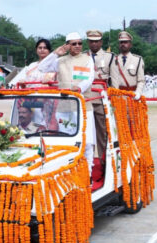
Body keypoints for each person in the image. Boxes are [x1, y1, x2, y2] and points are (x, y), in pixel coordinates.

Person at [38, 32, 96, 175]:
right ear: (67, 45)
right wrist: (55, 54)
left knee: (87, 141)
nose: (77, 46)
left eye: (79, 43)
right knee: (67, 139)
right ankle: (69, 170)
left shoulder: (87, 59)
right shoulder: (60, 61)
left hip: (83, 106)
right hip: (64, 108)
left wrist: (79, 88)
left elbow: (89, 78)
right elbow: (42, 68)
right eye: (73, 43)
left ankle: (87, 172)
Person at [86, 29, 115, 163]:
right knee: (86, 134)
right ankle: (88, 163)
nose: (94, 44)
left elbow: (114, 80)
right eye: (91, 41)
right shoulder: (82, 57)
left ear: (101, 42)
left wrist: (113, 99)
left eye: (96, 41)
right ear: (88, 42)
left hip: (100, 99)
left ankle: (104, 163)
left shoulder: (109, 57)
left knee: (102, 133)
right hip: (85, 99)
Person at [110, 31, 145, 100]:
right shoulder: (113, 59)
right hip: (117, 97)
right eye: (121, 42)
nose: (123, 44)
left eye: (125, 42)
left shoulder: (138, 60)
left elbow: (141, 80)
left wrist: (138, 92)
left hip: (132, 96)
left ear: (130, 44)